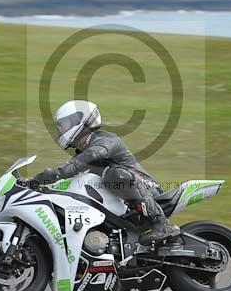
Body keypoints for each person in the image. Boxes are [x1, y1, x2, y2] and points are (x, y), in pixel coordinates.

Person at [29, 100, 179, 244]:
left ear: (80, 121)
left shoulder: (106, 140)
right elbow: (68, 176)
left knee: (114, 174)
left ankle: (161, 224)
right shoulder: (83, 153)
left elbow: (82, 161)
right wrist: (36, 185)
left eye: (64, 124)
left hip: (148, 190)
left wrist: (51, 174)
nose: (60, 130)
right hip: (123, 203)